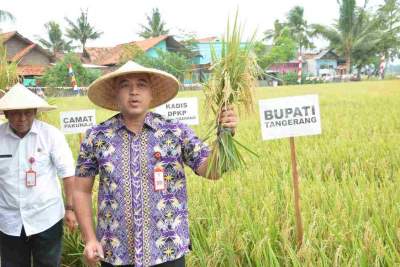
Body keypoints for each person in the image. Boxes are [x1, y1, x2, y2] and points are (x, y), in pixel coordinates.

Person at [74, 61, 238, 267]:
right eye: (125, 85)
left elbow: (211, 171)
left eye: (141, 85)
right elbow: (81, 191)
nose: (134, 92)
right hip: (115, 251)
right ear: (116, 94)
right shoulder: (96, 137)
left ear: (152, 93)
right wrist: (89, 238)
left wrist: (225, 135)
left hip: (167, 251)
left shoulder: (176, 132)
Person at [0, 83, 78, 267]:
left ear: (35, 112)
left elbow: (68, 174)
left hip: (46, 218)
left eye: (28, 112)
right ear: (6, 114)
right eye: (16, 113)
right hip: (8, 221)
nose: (22, 118)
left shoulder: (51, 135)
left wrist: (70, 208)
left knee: (48, 264)